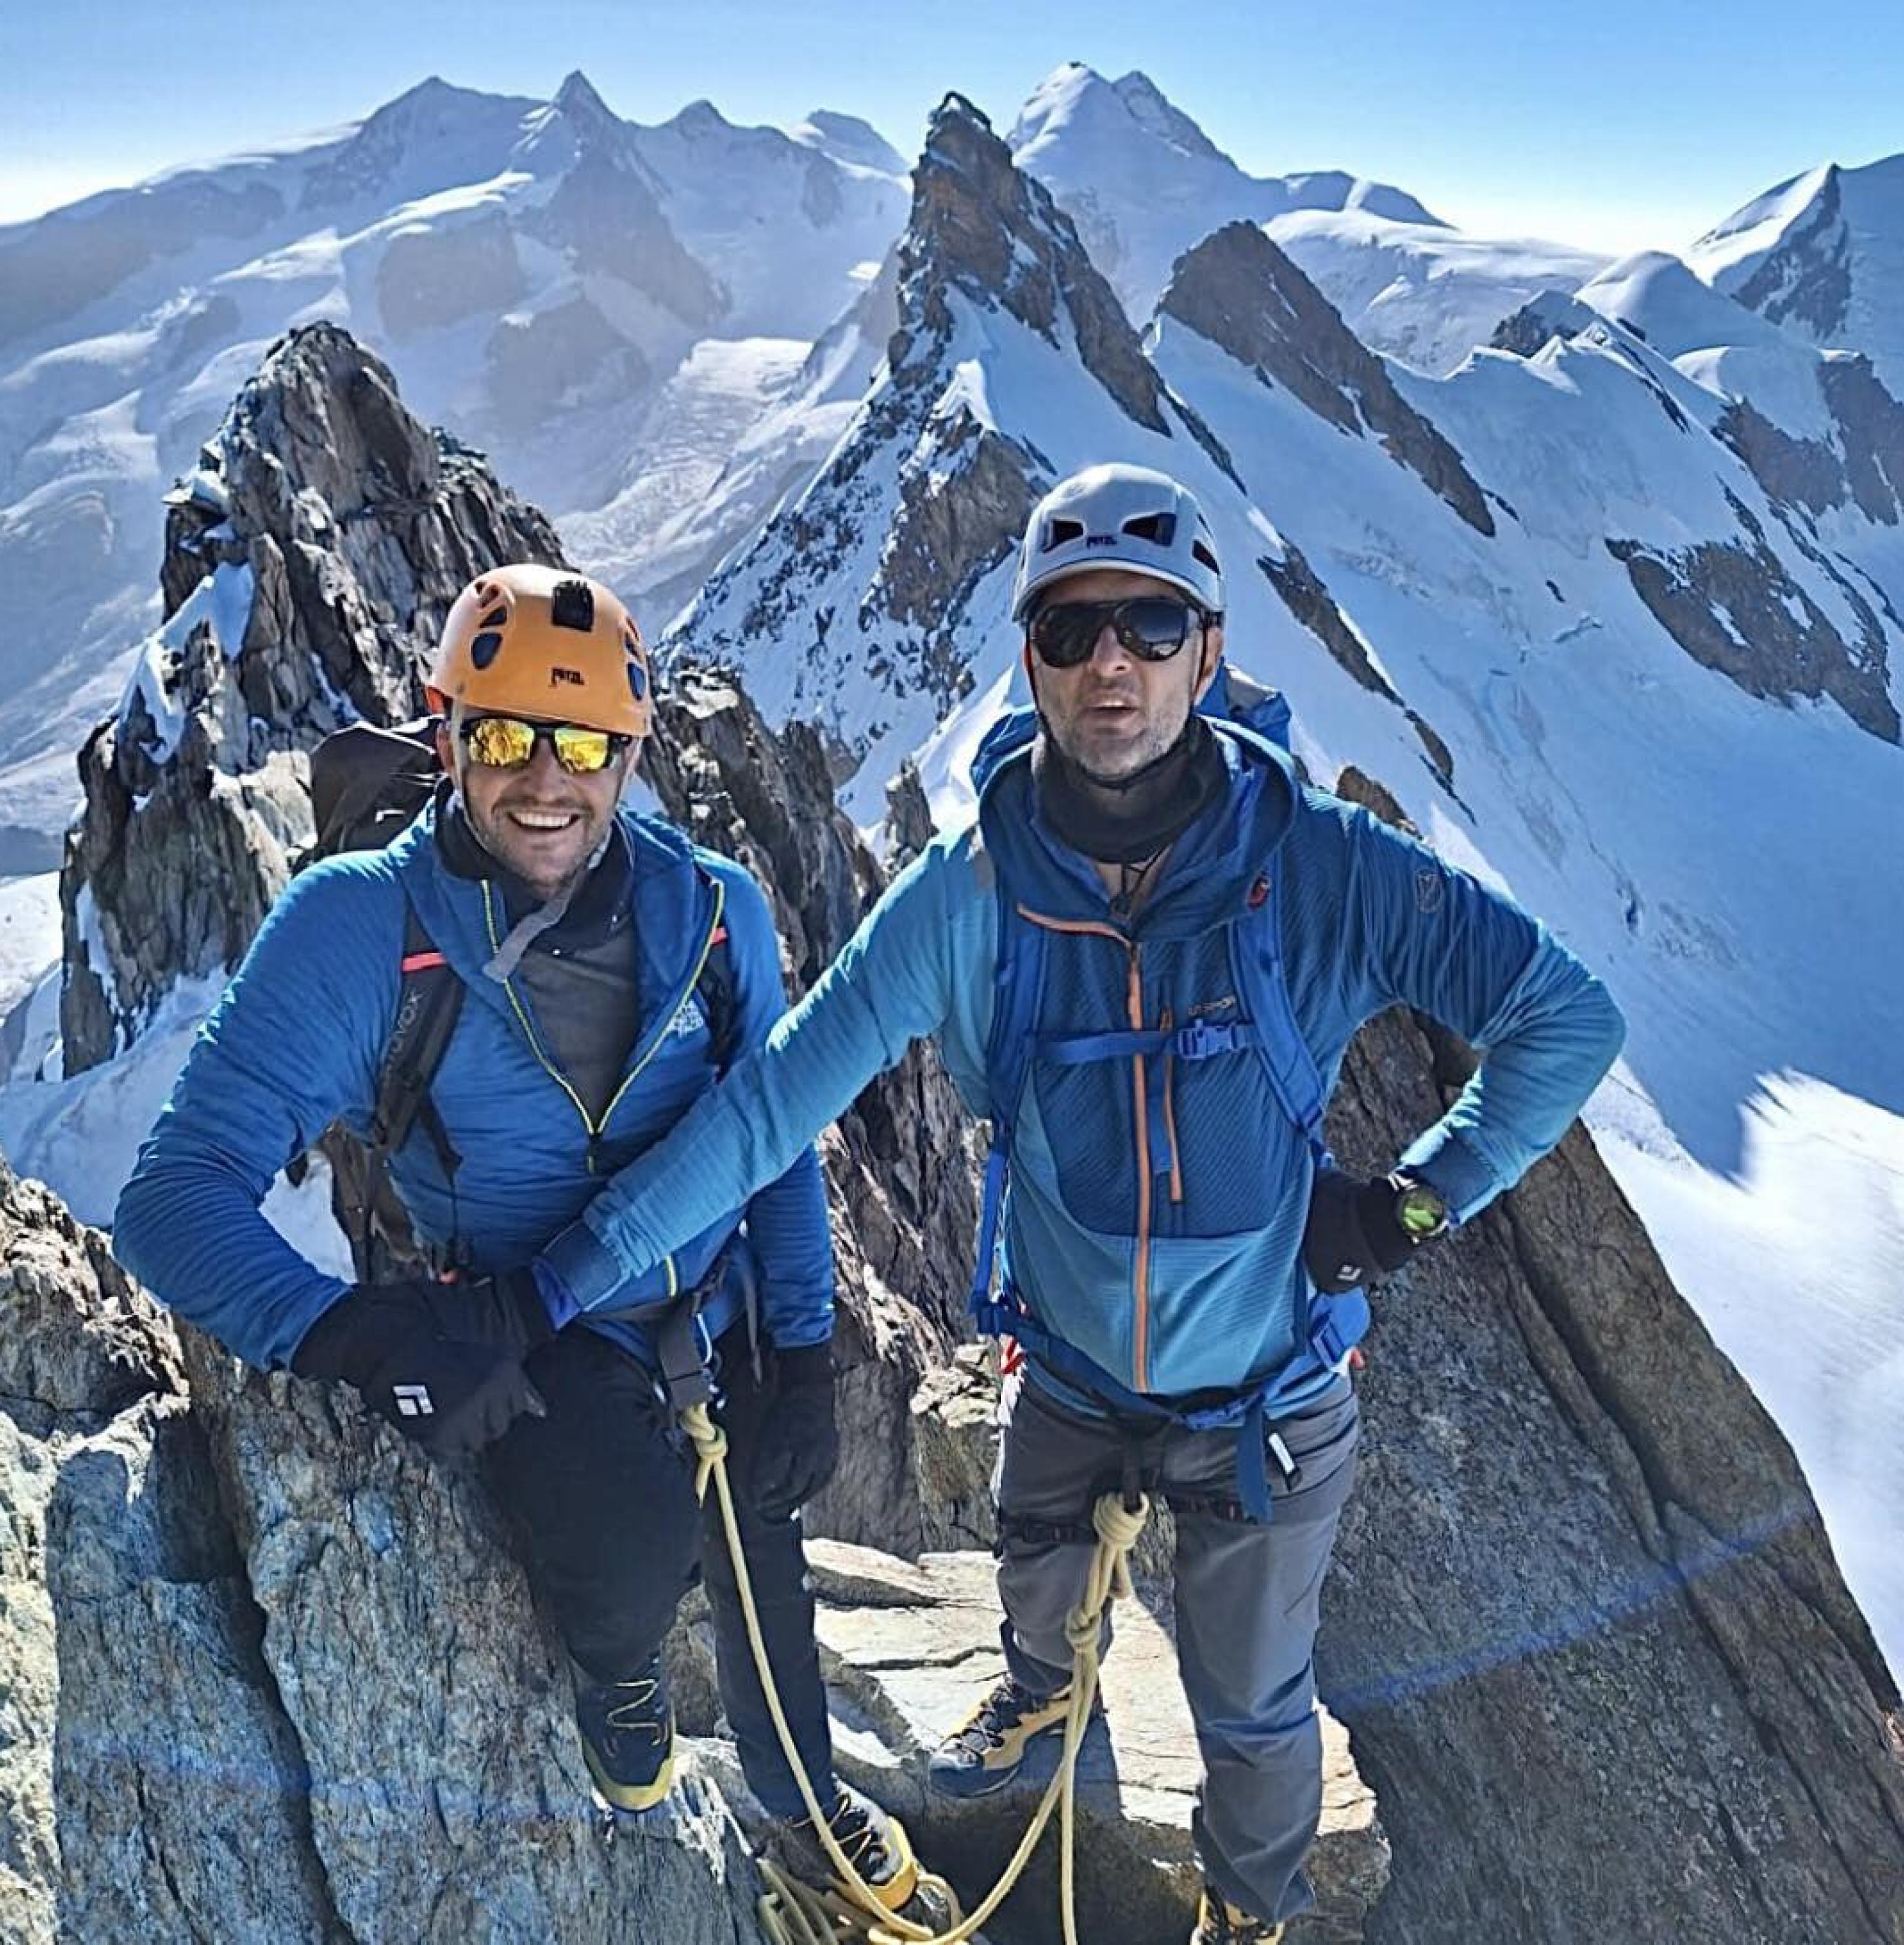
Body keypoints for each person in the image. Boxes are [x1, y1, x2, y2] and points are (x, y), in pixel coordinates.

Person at [514, 467, 1629, 1943]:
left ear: (1208, 651)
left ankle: (1249, 1913)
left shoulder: (1322, 870)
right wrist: (556, 1283)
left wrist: (1407, 1207)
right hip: (1074, 1366)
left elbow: (1565, 1017)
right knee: (1039, 1598)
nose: (1111, 663)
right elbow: (773, 1106)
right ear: (1028, 657)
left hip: (1265, 1391)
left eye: (1151, 625)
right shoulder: (967, 893)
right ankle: (1044, 1703)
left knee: (1251, 1709)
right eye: (1070, 629)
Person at [111, 563, 924, 1911]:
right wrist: (366, 1336)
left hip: (711, 1307)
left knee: (760, 1541)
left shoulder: (715, 911)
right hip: (521, 1330)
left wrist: (803, 1342)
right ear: (445, 736)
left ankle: (800, 1799)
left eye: (582, 745)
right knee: (626, 1559)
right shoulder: (362, 931)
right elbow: (171, 1199)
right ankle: (618, 1680)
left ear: (630, 752)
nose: (544, 782)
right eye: (502, 738)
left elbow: (770, 1134)